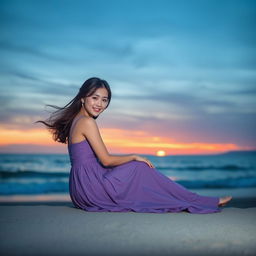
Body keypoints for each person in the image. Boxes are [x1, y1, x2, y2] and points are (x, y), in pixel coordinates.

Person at [37, 77, 232, 214]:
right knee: (140, 167)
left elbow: (98, 162)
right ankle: (202, 201)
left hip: (81, 189)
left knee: (140, 179)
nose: (100, 104)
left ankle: (195, 200)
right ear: (83, 98)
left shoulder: (77, 120)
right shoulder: (87, 122)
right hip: (92, 187)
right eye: (94, 98)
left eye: (104, 100)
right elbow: (106, 160)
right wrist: (134, 156)